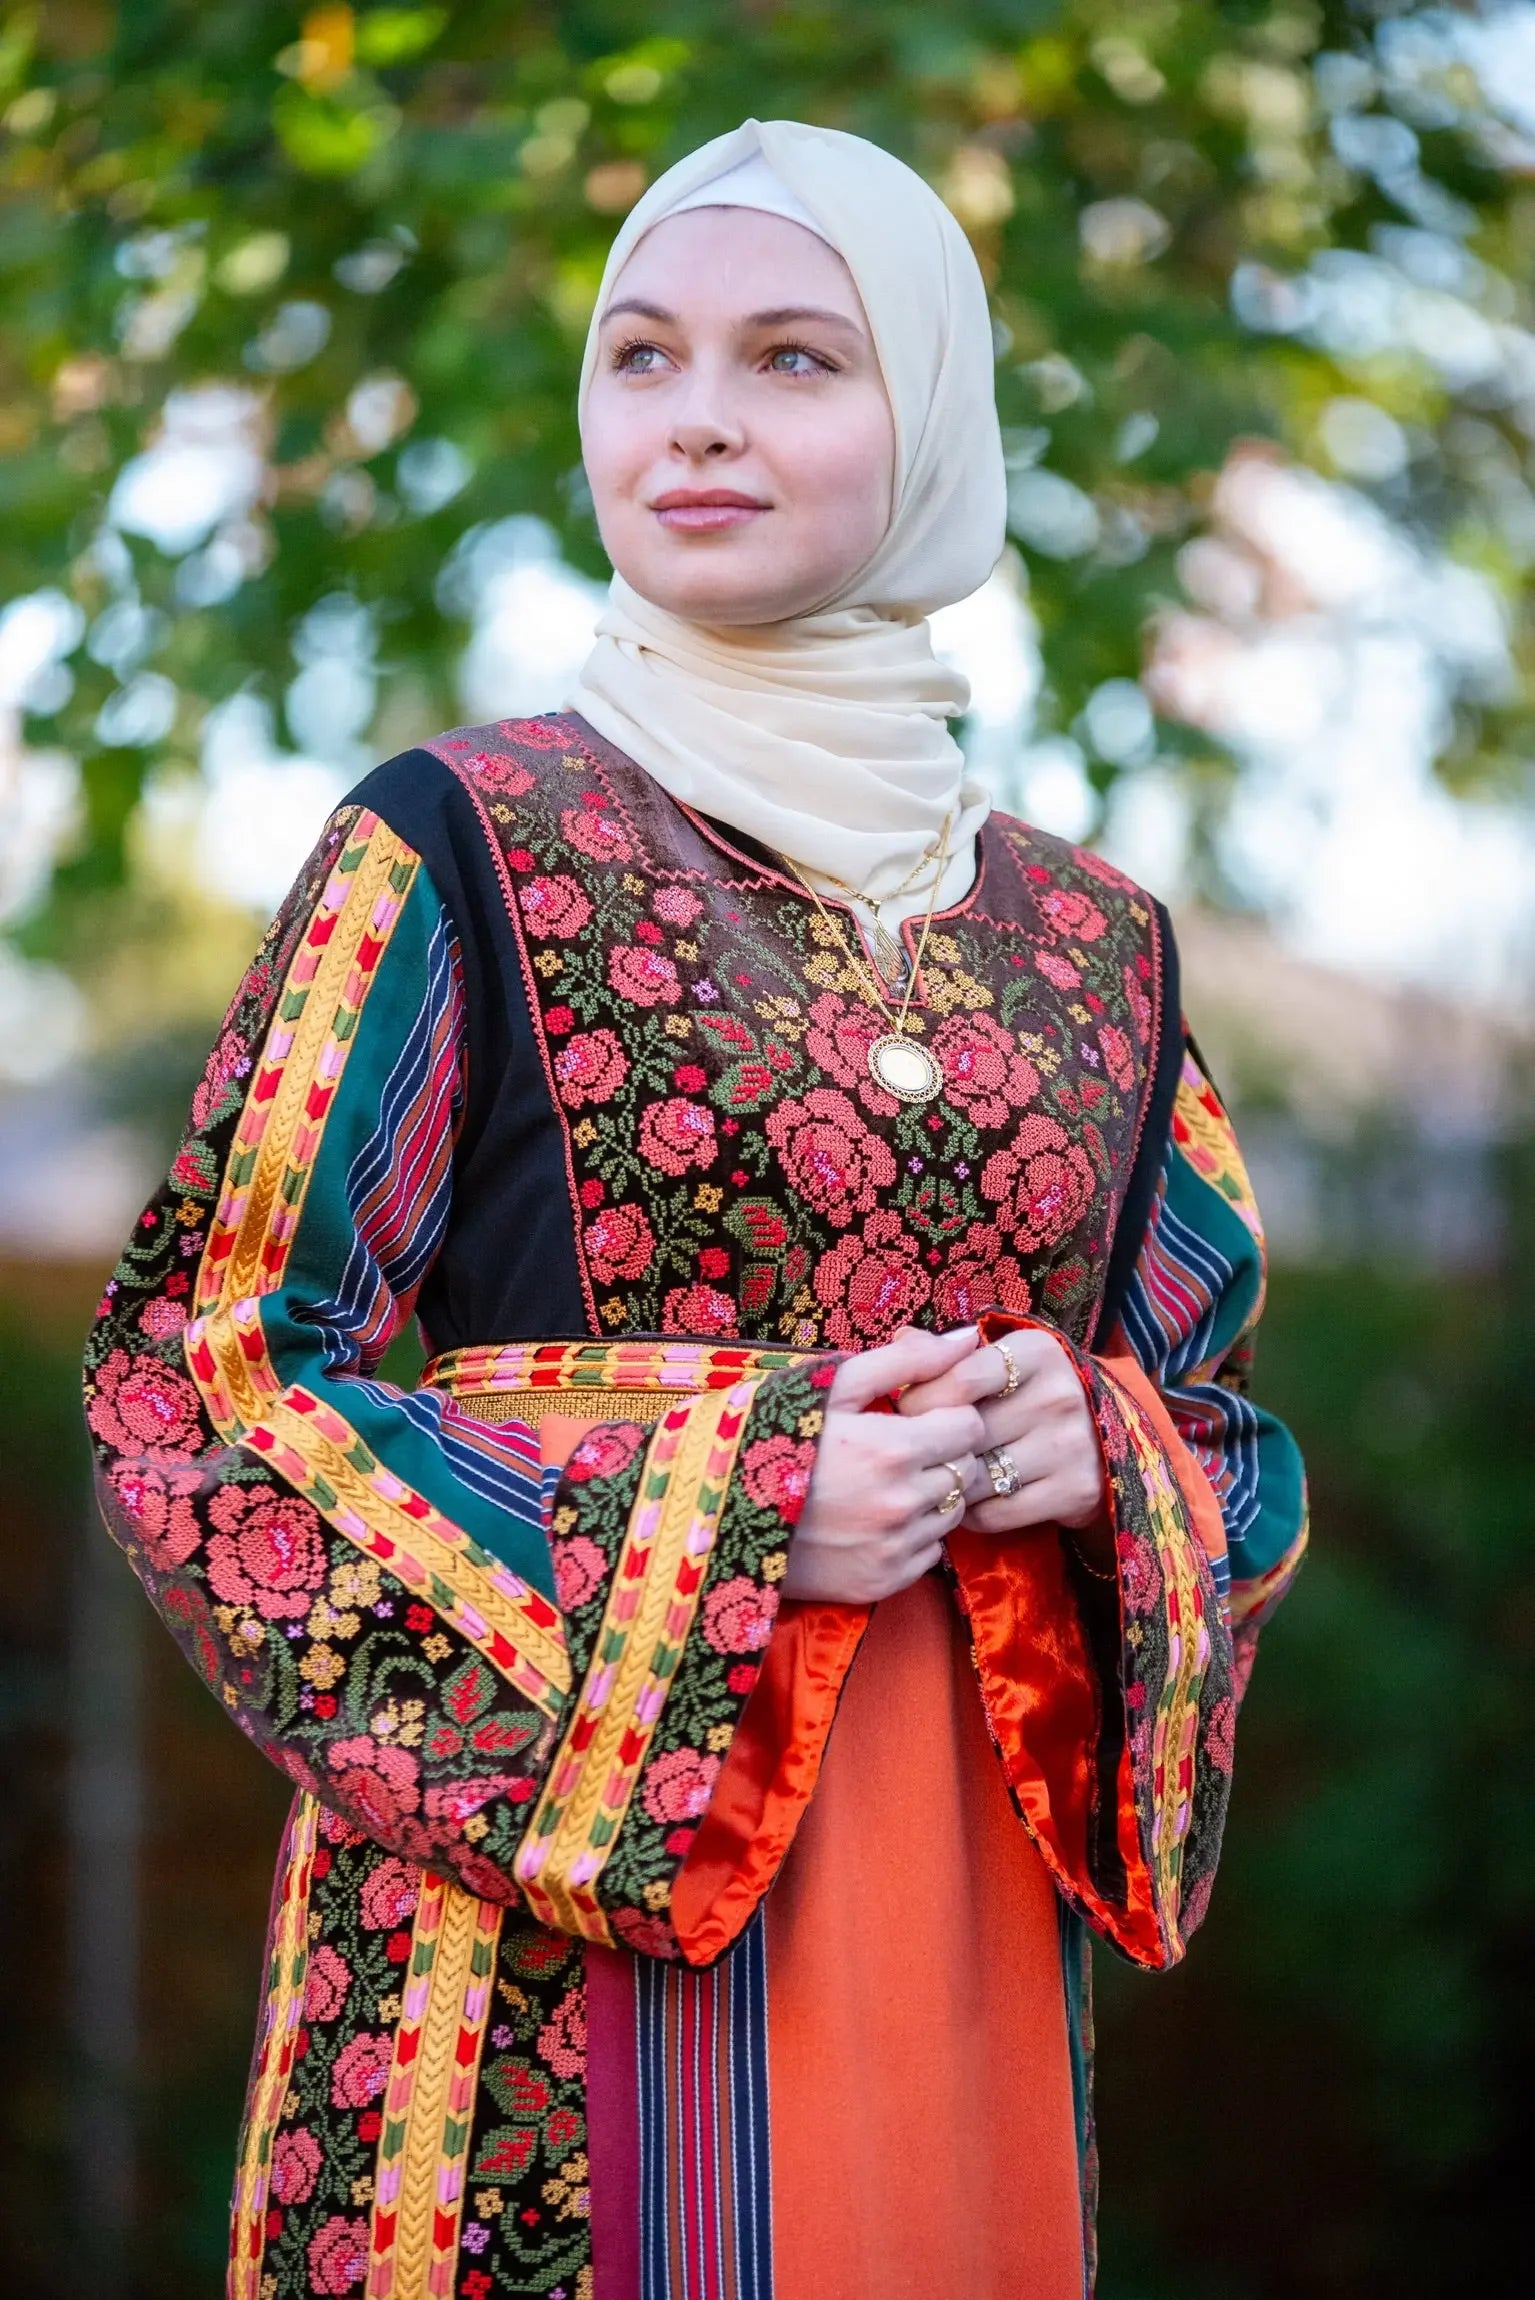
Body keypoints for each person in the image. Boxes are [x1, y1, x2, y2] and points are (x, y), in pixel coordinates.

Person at [82, 117, 1307, 2300]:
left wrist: (1084, 1456)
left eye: (794, 359)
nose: (700, 417)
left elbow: (1216, 1426)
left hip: (952, 1923)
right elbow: (205, 1382)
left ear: (928, 422)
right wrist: (738, 1514)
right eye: (641, 355)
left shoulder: (1094, 946)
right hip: (534, 1977)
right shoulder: (456, 842)